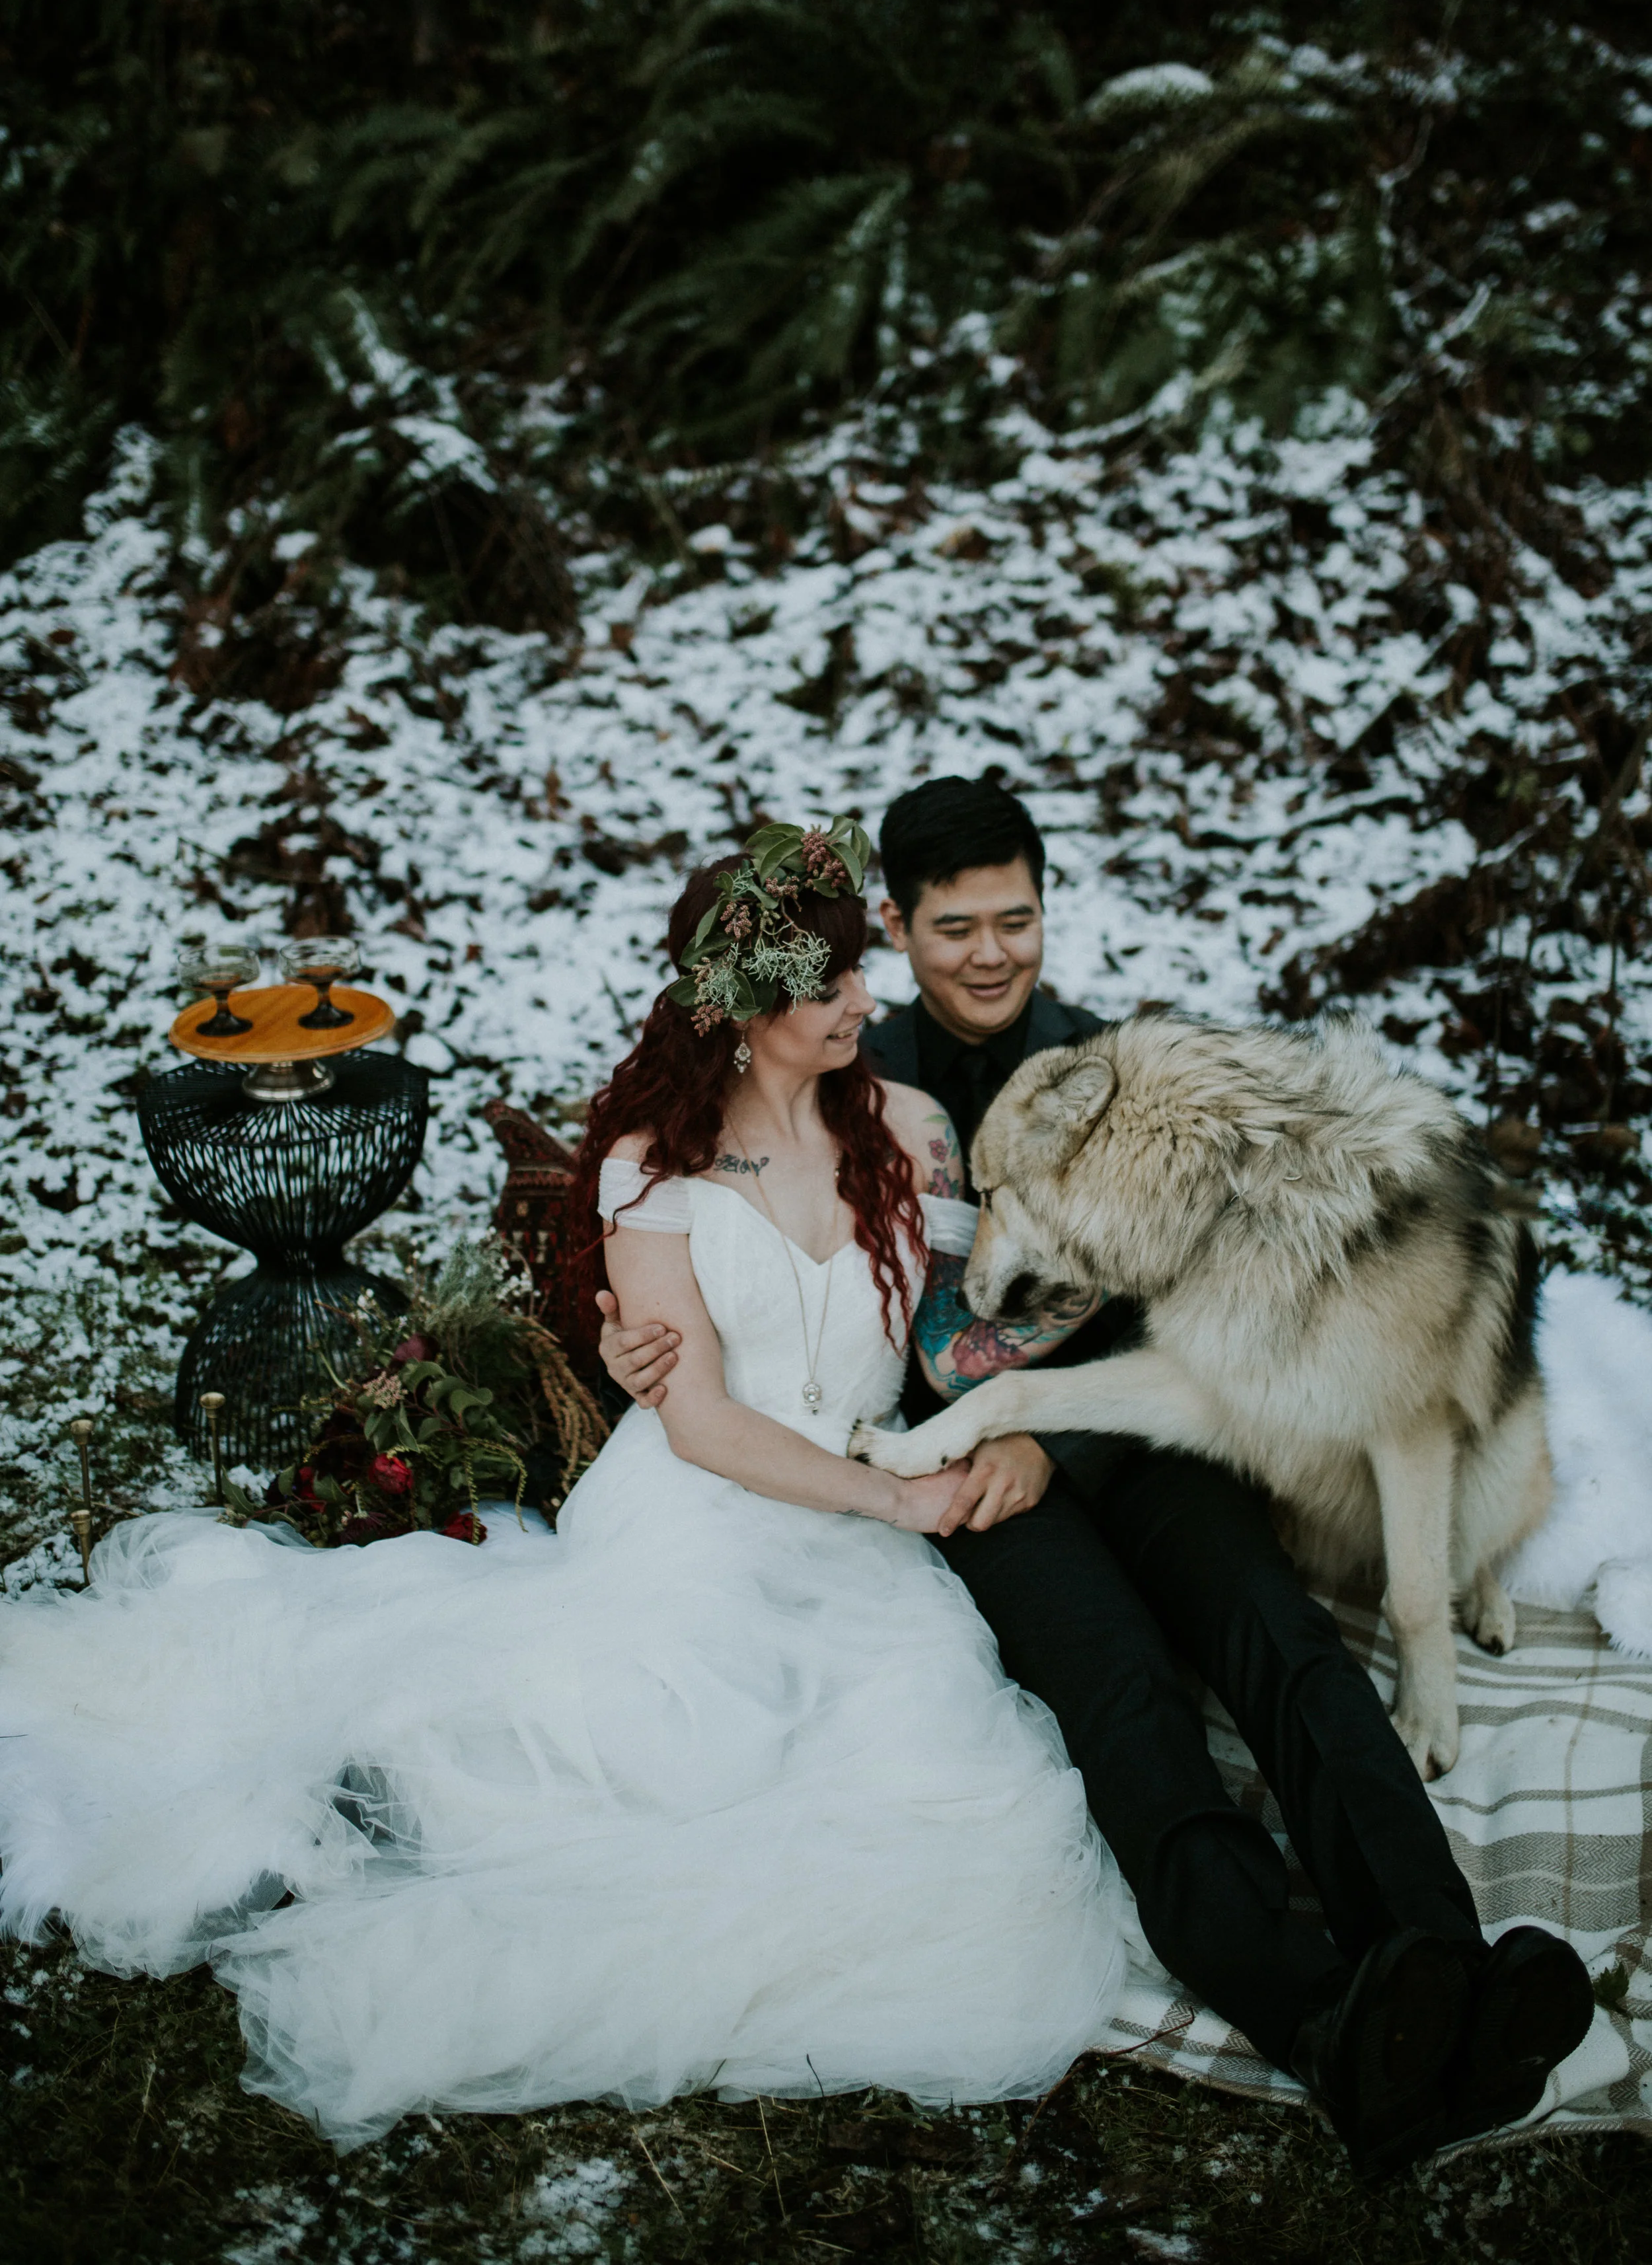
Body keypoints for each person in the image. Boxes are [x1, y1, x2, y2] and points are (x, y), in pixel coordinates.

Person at [0, 817, 1139, 2149]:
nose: (861, 999)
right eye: (828, 981)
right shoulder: (653, 1165)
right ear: (743, 1003)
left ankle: (392, 1802)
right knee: (646, 1742)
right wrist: (897, 1500)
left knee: (931, 1785)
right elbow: (702, 1419)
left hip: (863, 1542)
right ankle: (357, 1809)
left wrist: (1109, 1296)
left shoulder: (912, 1128)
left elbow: (956, 1336)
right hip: (709, 1511)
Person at [601, 778, 1595, 2178]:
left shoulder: (1108, 1064)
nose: (990, 953)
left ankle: (1441, 1961)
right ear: (899, 926)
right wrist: (624, 1335)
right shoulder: (852, 1063)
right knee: (1125, 1703)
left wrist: (1044, 1428)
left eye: (1016, 918)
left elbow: (1219, 1279)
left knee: (1276, 1642)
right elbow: (782, 1281)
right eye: (953, 927)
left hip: (1144, 1429)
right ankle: (1321, 2022)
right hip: (978, 1483)